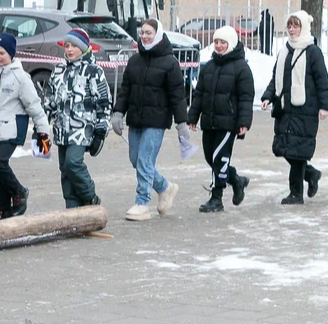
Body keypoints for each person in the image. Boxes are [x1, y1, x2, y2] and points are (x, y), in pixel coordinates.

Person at [111, 18, 189, 221]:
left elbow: (177, 95)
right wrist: (118, 112)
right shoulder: (134, 60)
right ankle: (164, 187)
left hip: (156, 121)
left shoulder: (170, 62)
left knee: (145, 160)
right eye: (142, 32)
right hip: (136, 119)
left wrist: (182, 123)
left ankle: (142, 202)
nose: (144, 36)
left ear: (158, 34)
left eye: (149, 33)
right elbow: (125, 90)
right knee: (135, 159)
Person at [0, 33, 52, 219]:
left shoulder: (20, 77)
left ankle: (19, 192)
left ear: (11, 54)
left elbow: (34, 106)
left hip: (12, 130)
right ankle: (5, 212)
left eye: (2, 53)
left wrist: (43, 132)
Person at [260, 10, 328, 204]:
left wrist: (324, 106)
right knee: (283, 148)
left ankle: (296, 194)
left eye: (296, 26)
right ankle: (311, 174)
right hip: (285, 108)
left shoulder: (313, 51)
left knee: (297, 152)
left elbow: (322, 80)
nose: (292, 30)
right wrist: (267, 96)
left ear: (304, 28)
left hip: (305, 110)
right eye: (289, 26)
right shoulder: (285, 51)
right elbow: (276, 78)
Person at [187, 25, 255, 213]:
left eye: (222, 42)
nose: (218, 46)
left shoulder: (241, 68)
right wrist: (193, 116)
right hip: (209, 122)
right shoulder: (209, 66)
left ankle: (217, 197)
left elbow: (246, 97)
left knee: (220, 157)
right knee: (211, 157)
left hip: (228, 123)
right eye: (216, 42)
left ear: (231, 44)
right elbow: (199, 93)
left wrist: (243, 122)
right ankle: (236, 179)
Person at [42, 27, 110, 209]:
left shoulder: (93, 71)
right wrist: (41, 125)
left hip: (82, 130)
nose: (69, 50)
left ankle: (90, 197)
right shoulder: (58, 70)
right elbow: (49, 99)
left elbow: (103, 102)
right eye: (67, 46)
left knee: (73, 163)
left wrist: (101, 131)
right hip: (62, 129)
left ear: (84, 48)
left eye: (74, 46)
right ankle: (72, 209)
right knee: (65, 170)